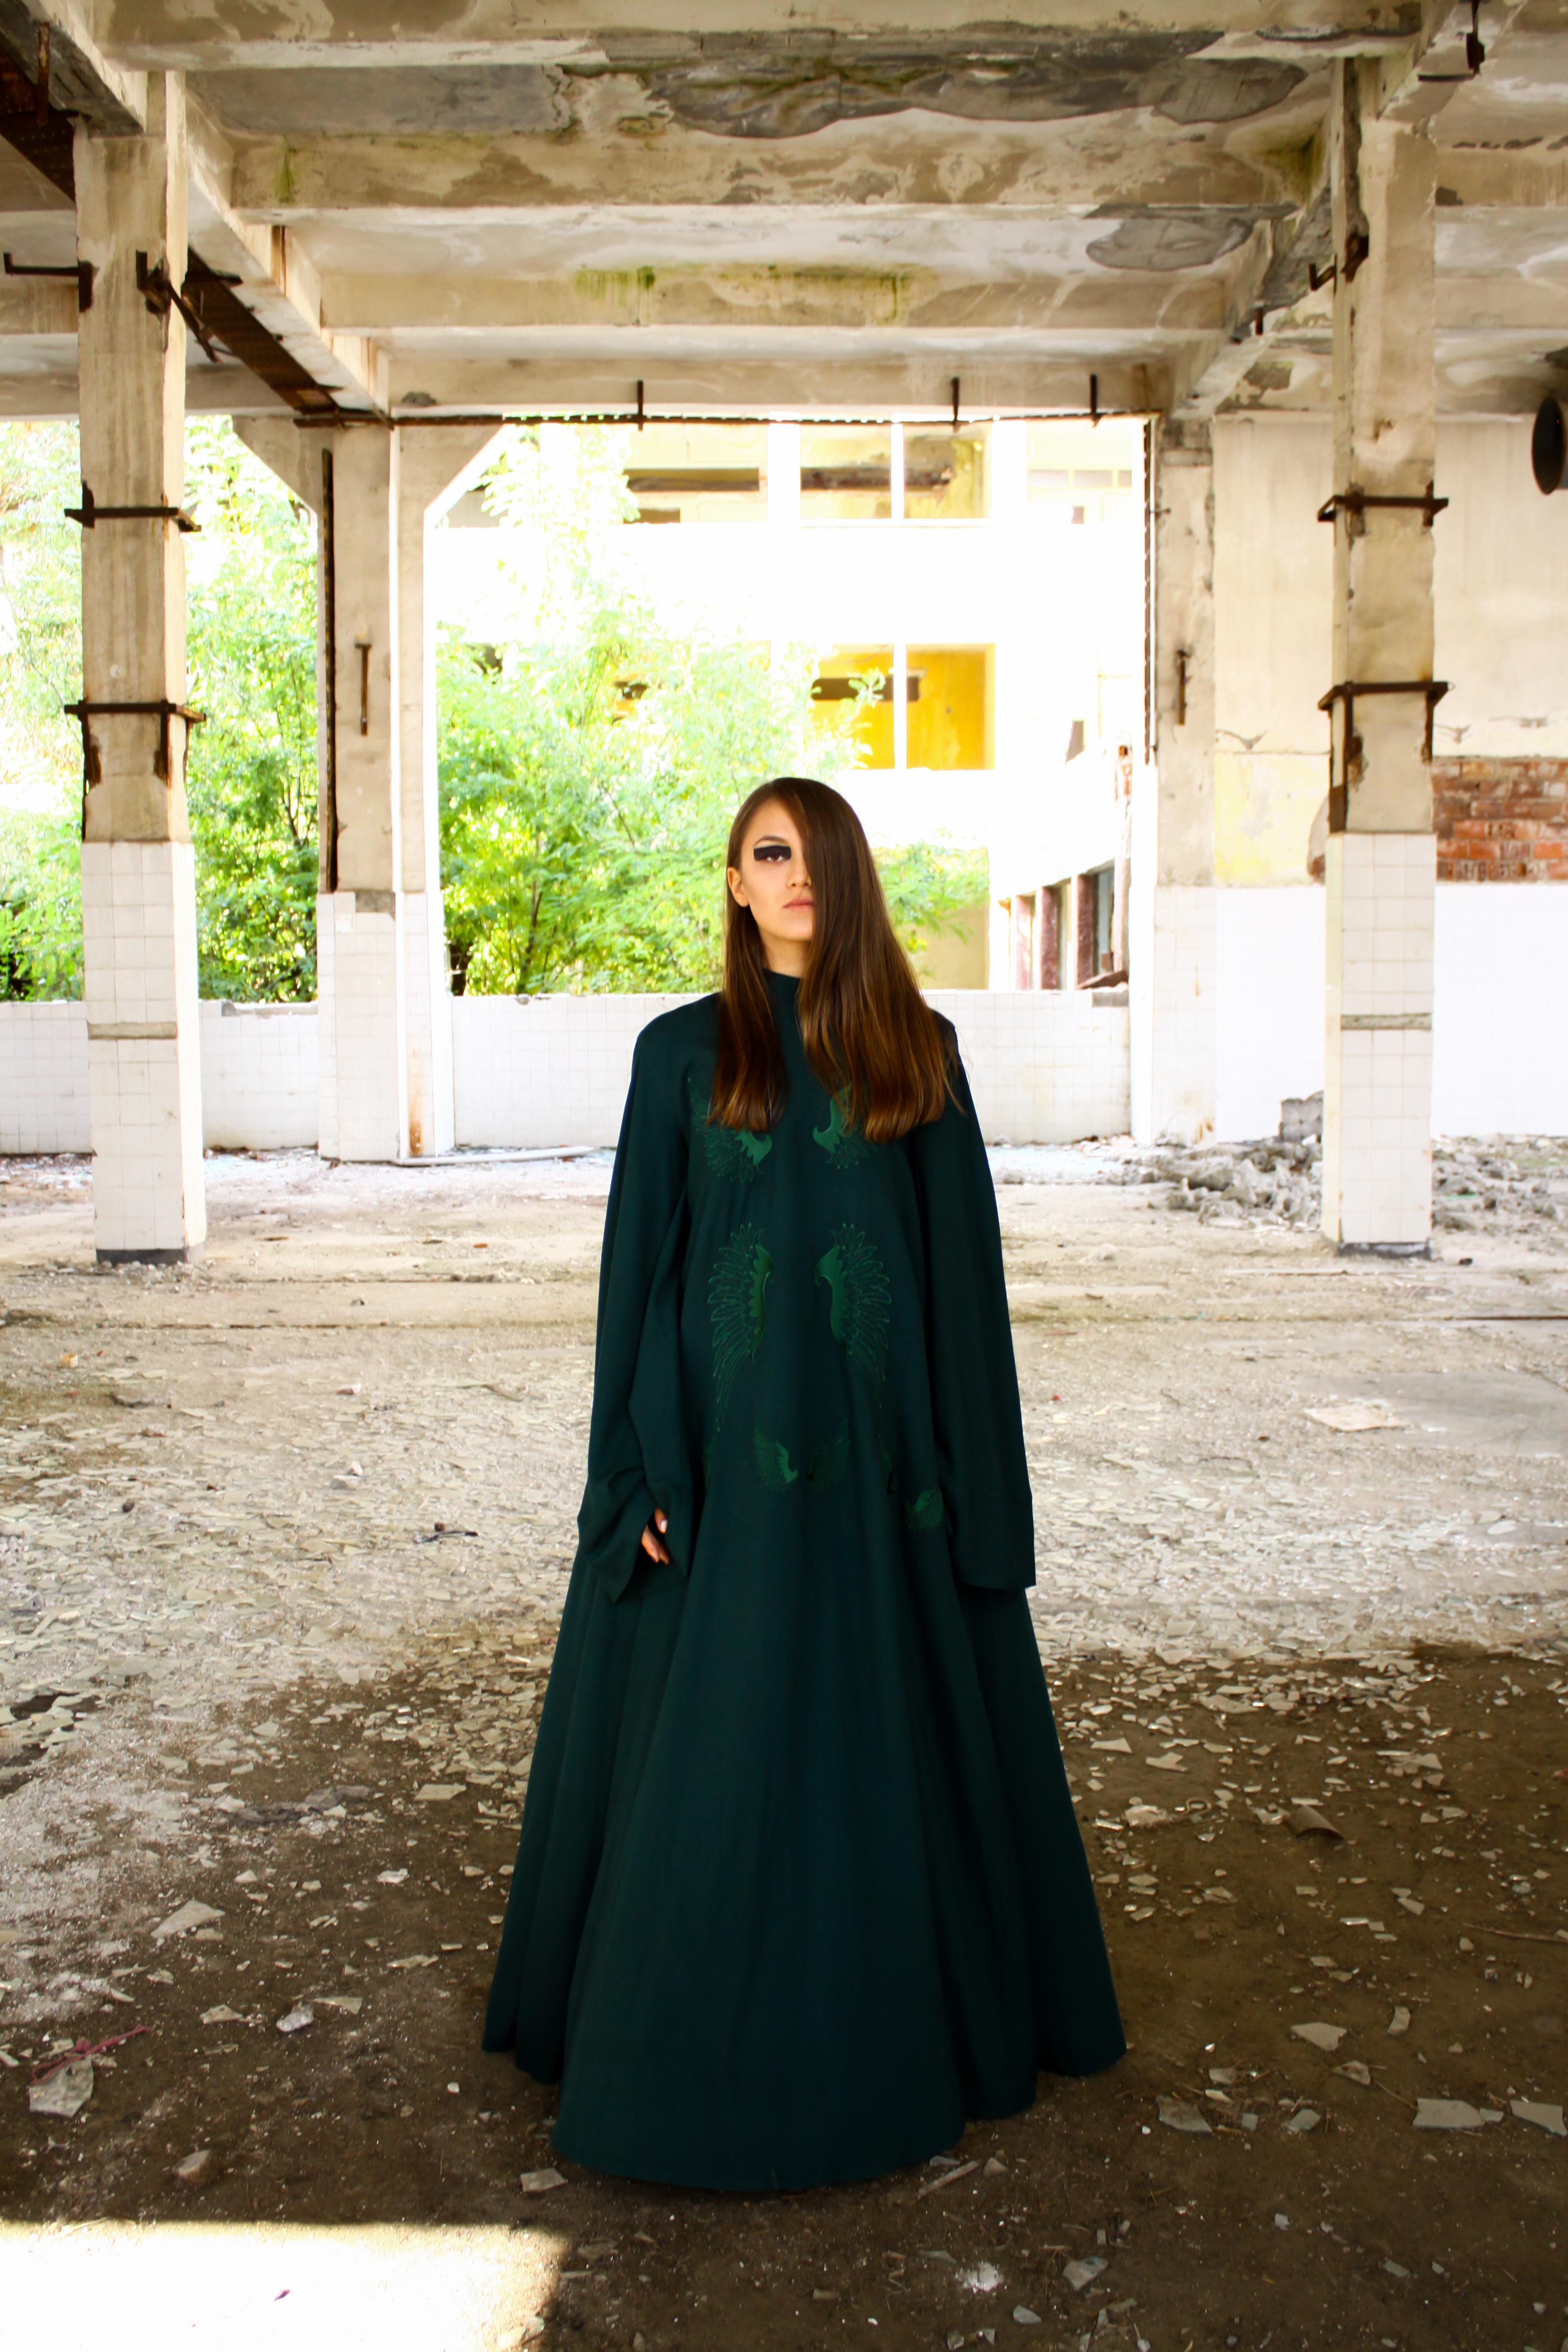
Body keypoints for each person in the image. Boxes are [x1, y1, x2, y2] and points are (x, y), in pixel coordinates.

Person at [483, 777, 1125, 2192]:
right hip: (721, 1471)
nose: (796, 878)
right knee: (708, 1754)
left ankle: (895, 2029)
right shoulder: (677, 1055)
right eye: (769, 855)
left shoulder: (917, 1049)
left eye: (817, 855)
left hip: (886, 1483)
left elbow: (964, 1291)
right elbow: (637, 1276)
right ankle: (672, 2052)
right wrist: (632, 1470)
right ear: (734, 881)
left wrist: (978, 1494)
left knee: (881, 1734)